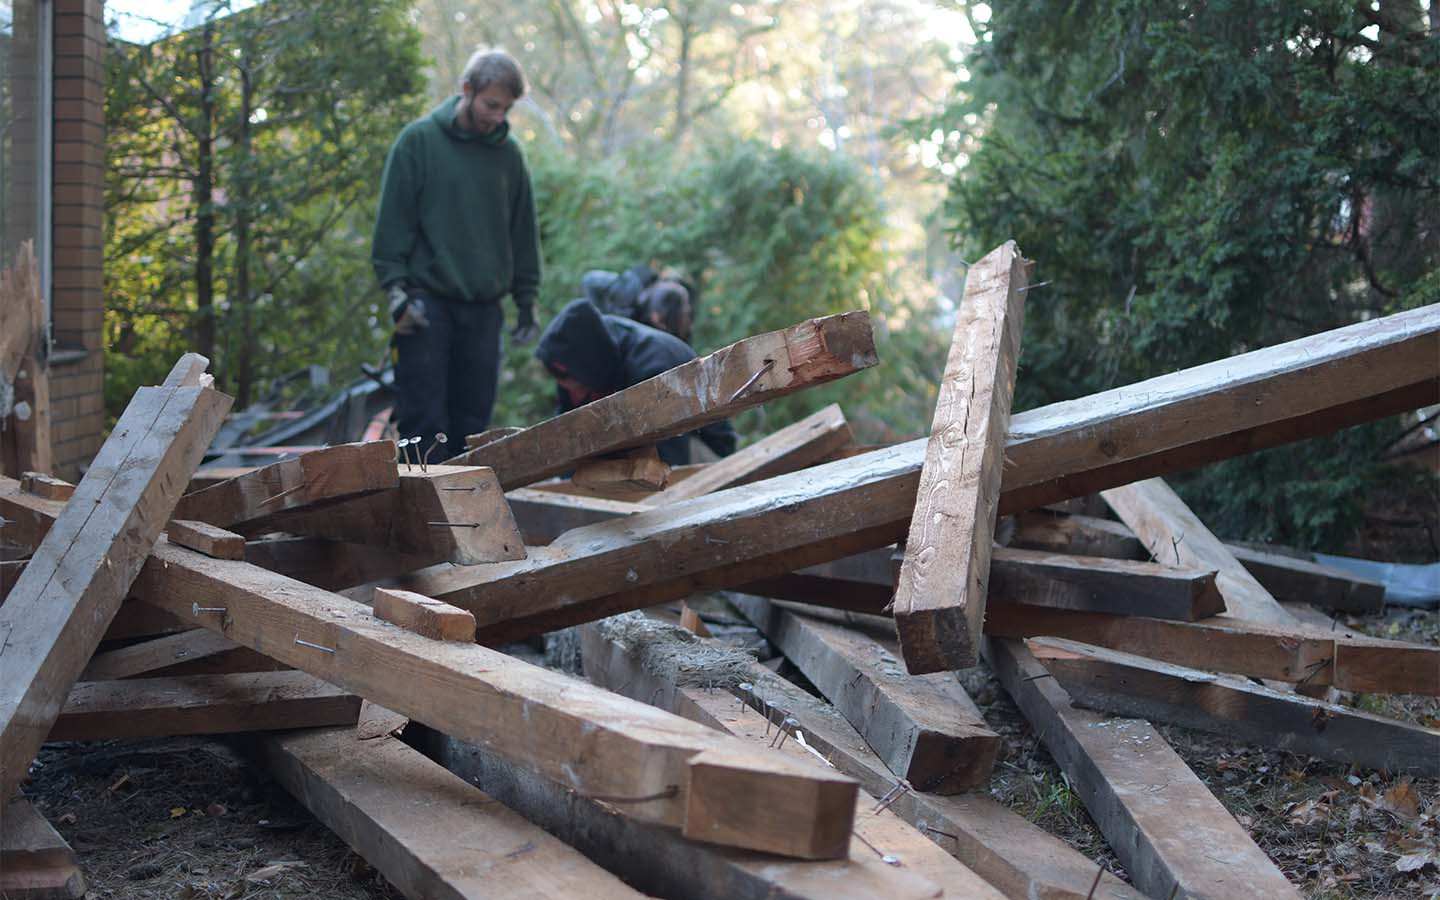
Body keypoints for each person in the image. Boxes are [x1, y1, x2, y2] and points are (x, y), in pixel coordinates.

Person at [371, 49, 541, 460]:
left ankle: (464, 502)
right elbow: (393, 222)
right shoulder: (418, 142)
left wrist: (526, 302)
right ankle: (420, 501)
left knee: (473, 427)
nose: (497, 116)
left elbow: (522, 232)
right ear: (467, 90)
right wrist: (395, 293)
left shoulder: (508, 156)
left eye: (506, 109)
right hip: (426, 306)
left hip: (483, 309)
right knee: (424, 424)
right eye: (491, 105)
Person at [534, 297, 737, 465]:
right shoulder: (577, 363)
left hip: (704, 454)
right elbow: (568, 437)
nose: (576, 397)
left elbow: (672, 460)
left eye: (580, 388)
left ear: (593, 369)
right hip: (641, 447)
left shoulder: (652, 367)